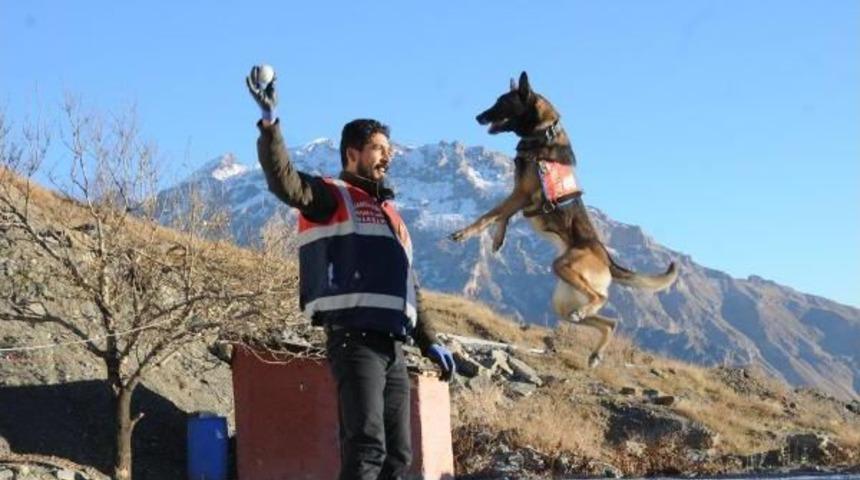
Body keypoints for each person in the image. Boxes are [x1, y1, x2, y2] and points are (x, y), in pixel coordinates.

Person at [245, 65, 456, 480]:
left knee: (398, 457)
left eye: (388, 148)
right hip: (354, 341)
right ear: (352, 154)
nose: (388, 155)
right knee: (367, 448)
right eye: (378, 147)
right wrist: (270, 125)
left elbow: (409, 290)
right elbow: (284, 181)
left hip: (393, 346)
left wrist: (430, 341)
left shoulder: (392, 217)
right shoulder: (329, 196)